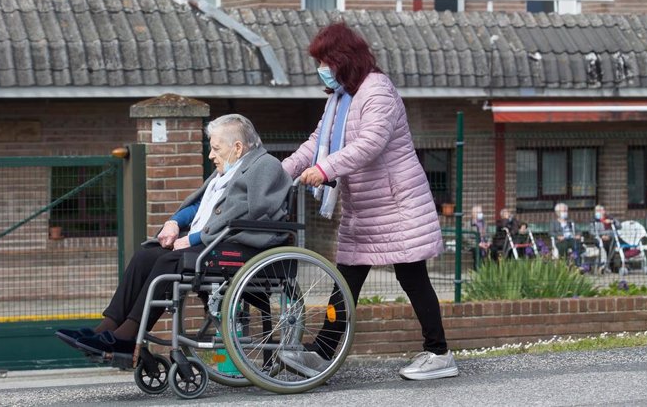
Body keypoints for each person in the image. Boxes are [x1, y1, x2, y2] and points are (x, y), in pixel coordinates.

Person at [280, 23, 458, 381]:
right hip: (364, 207)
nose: (321, 69)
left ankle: (439, 354)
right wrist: (278, 173)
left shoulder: (378, 91)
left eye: (324, 61)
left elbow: (370, 144)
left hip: (397, 204)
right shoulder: (340, 97)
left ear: (342, 58)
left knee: (412, 276)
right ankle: (323, 351)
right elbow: (317, 141)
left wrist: (323, 169)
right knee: (346, 279)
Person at [55, 114, 292, 354]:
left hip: (243, 247)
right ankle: (107, 326)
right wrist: (174, 223)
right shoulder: (227, 170)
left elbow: (248, 214)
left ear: (238, 147)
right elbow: (201, 206)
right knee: (145, 255)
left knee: (170, 261)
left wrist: (195, 238)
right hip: (214, 242)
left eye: (215, 148)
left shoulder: (265, 165)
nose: (211, 155)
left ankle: (128, 336)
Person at [588, 204, 621, 270]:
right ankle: (605, 266)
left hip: (610, 239)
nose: (598, 212)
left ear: (604, 211)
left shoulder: (609, 218)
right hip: (599, 239)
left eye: (600, 210)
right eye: (596, 211)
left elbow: (619, 226)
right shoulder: (593, 221)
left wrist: (612, 221)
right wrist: (602, 235)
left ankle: (606, 266)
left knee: (613, 243)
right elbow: (591, 232)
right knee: (603, 246)